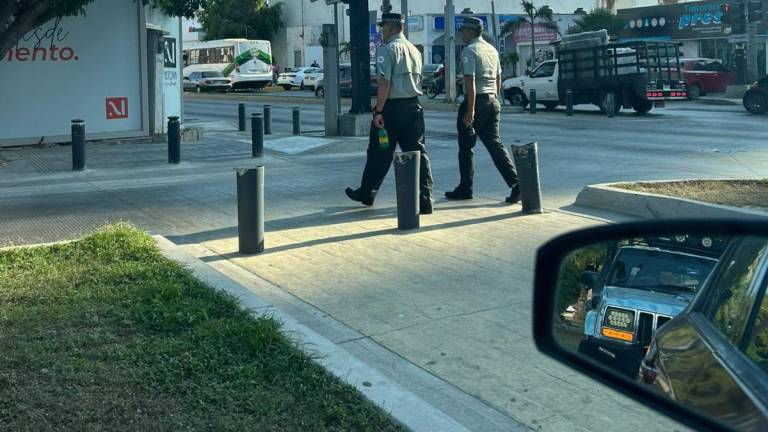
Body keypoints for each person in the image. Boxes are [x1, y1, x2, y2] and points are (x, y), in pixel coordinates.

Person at [345, 13, 434, 214]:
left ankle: (367, 193)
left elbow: (384, 83)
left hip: (392, 110)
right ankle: (426, 198)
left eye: (382, 27)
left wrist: (379, 110)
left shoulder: (387, 50)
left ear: (391, 27)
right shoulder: (415, 50)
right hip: (414, 108)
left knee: (379, 151)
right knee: (418, 153)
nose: (381, 31)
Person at [445, 17, 520, 204]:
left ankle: (465, 188)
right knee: (495, 145)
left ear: (470, 31)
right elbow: (498, 78)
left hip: (476, 102)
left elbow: (470, 83)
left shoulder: (470, 51)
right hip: (492, 100)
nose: (461, 34)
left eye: (463, 31)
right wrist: (495, 99)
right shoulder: (492, 50)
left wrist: (469, 111)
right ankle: (516, 183)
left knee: (466, 147)